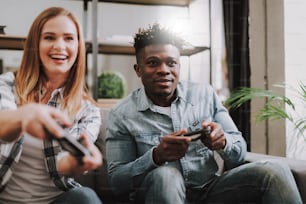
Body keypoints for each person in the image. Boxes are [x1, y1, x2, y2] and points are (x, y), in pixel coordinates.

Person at [105, 23, 302, 204]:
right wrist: (156, 156)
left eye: (171, 63)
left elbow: (239, 151)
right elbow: (116, 183)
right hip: (157, 193)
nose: (164, 70)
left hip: (210, 190)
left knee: (276, 170)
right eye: (153, 63)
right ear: (138, 69)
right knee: (166, 176)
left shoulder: (204, 94)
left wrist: (223, 142)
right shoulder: (121, 114)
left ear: (179, 66)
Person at [0, 7, 103, 204]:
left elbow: (62, 165)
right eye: (49, 37)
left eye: (69, 38)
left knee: (86, 197)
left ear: (79, 47)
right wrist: (25, 116)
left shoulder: (88, 110)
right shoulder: (6, 84)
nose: (60, 46)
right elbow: (2, 126)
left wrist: (76, 162)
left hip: (55, 200)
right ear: (35, 44)